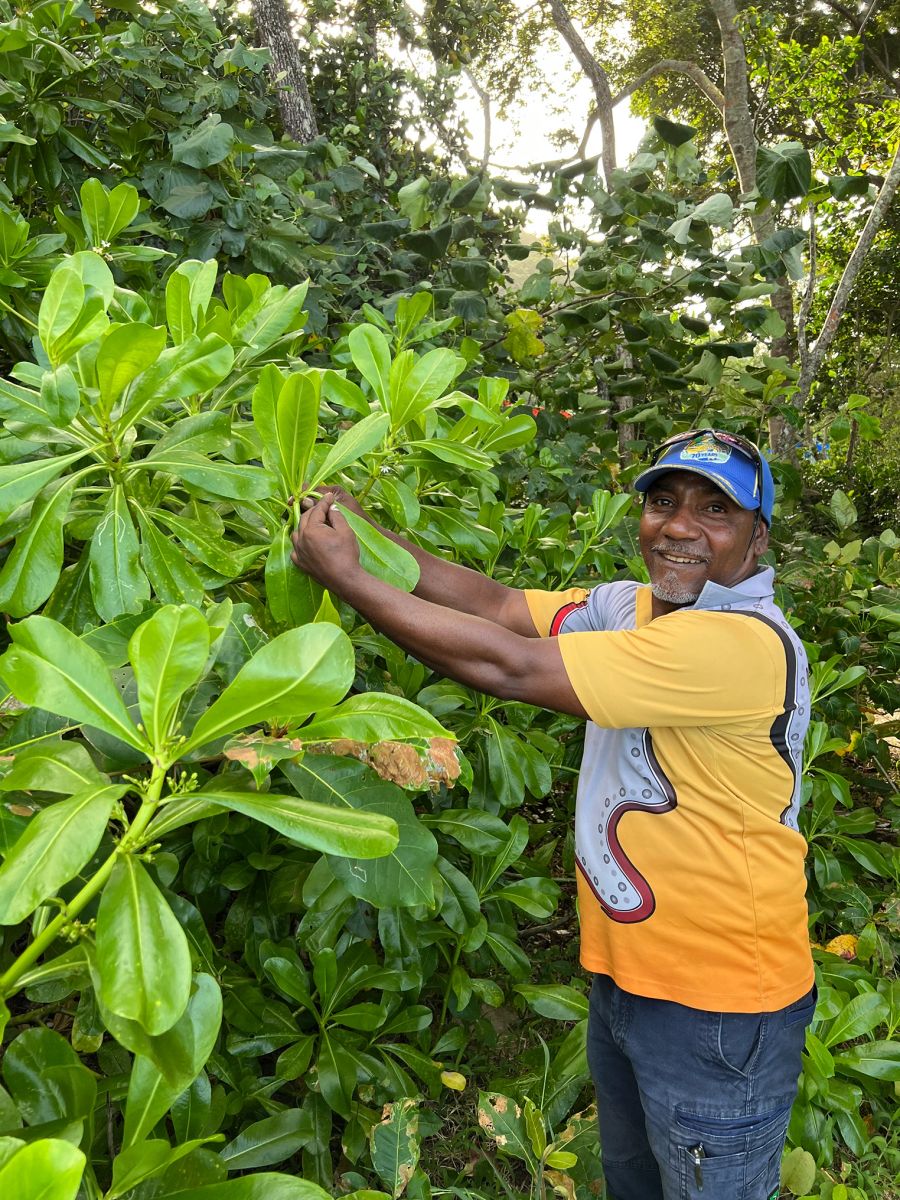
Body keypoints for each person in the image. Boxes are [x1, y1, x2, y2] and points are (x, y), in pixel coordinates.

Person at [291, 428, 816, 1200]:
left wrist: (352, 582)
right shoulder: (629, 607)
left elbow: (506, 664)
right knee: (633, 1180)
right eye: (663, 502)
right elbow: (499, 607)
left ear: (757, 537)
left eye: (716, 510)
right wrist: (367, 535)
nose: (678, 525)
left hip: (722, 1003)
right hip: (628, 979)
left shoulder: (739, 644)